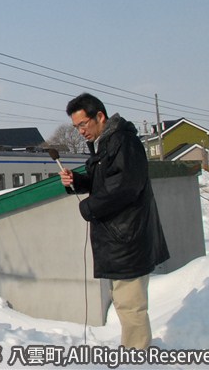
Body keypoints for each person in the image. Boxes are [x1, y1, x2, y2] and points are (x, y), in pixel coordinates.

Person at [59, 93, 169, 350]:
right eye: (76, 128)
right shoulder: (108, 142)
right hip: (120, 237)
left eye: (83, 124)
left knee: (131, 305)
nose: (81, 131)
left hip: (127, 238)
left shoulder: (123, 142)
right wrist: (78, 181)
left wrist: (88, 207)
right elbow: (105, 183)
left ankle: (137, 357)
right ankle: (135, 354)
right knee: (124, 301)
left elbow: (125, 187)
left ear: (100, 116)